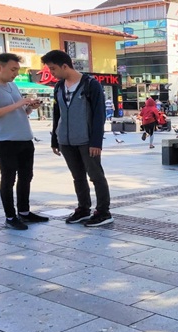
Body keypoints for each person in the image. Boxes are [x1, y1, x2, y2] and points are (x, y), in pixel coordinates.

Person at [0, 52, 48, 230]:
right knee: (8, 179)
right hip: (3, 140)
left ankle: (24, 212)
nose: (16, 73)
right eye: (13, 69)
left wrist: (29, 108)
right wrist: (17, 104)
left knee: (26, 177)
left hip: (23, 137)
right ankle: (10, 216)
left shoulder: (12, 85)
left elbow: (19, 112)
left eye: (17, 70)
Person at [41, 49, 113, 227]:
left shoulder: (90, 84)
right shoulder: (59, 86)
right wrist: (55, 139)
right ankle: (83, 209)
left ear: (65, 66)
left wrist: (96, 142)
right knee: (77, 177)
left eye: (53, 69)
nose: (51, 73)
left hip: (87, 141)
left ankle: (103, 211)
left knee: (96, 176)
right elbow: (57, 114)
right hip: (66, 141)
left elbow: (99, 115)